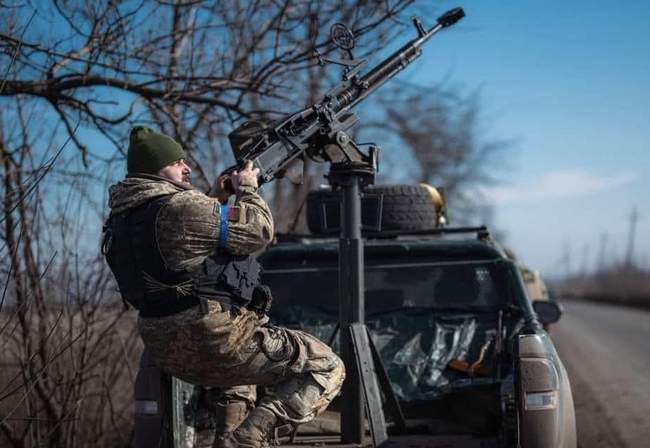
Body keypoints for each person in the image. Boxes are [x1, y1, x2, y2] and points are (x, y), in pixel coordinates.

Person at [103, 127, 344, 447]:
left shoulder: (120, 220)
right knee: (327, 367)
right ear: (154, 168)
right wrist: (247, 188)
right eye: (177, 162)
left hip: (165, 351)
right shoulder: (181, 205)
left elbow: (179, 245)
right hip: (216, 339)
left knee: (239, 380)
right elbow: (258, 231)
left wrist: (215, 198)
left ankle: (228, 439)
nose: (186, 168)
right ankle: (249, 436)